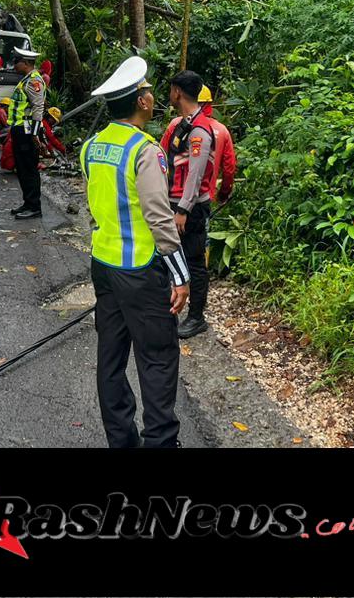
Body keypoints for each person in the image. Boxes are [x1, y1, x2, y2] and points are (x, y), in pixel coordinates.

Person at [81, 56, 190, 448]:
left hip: (104, 264)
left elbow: (97, 203)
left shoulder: (92, 147)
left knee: (110, 356)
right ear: (142, 102)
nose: (152, 95)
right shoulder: (145, 151)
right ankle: (161, 441)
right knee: (157, 356)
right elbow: (160, 218)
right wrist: (180, 274)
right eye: (147, 90)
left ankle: (121, 440)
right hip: (142, 271)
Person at [160, 70, 216, 338]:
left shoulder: (199, 131)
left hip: (189, 208)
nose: (169, 94)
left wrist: (183, 210)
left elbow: (195, 175)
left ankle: (196, 317)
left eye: (171, 89)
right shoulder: (184, 123)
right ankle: (171, 304)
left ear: (178, 92)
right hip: (175, 202)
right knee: (170, 254)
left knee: (194, 260)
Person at [8, 47, 45, 219]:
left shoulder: (34, 82)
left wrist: (35, 133)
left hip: (27, 130)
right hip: (20, 129)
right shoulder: (26, 79)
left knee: (29, 168)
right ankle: (28, 203)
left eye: (17, 62)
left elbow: (38, 107)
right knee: (22, 168)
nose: (14, 65)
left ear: (26, 63)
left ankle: (34, 206)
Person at [199, 85, 237, 205]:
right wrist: (224, 193)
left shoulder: (177, 125)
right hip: (204, 198)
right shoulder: (221, 130)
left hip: (175, 198)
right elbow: (229, 168)